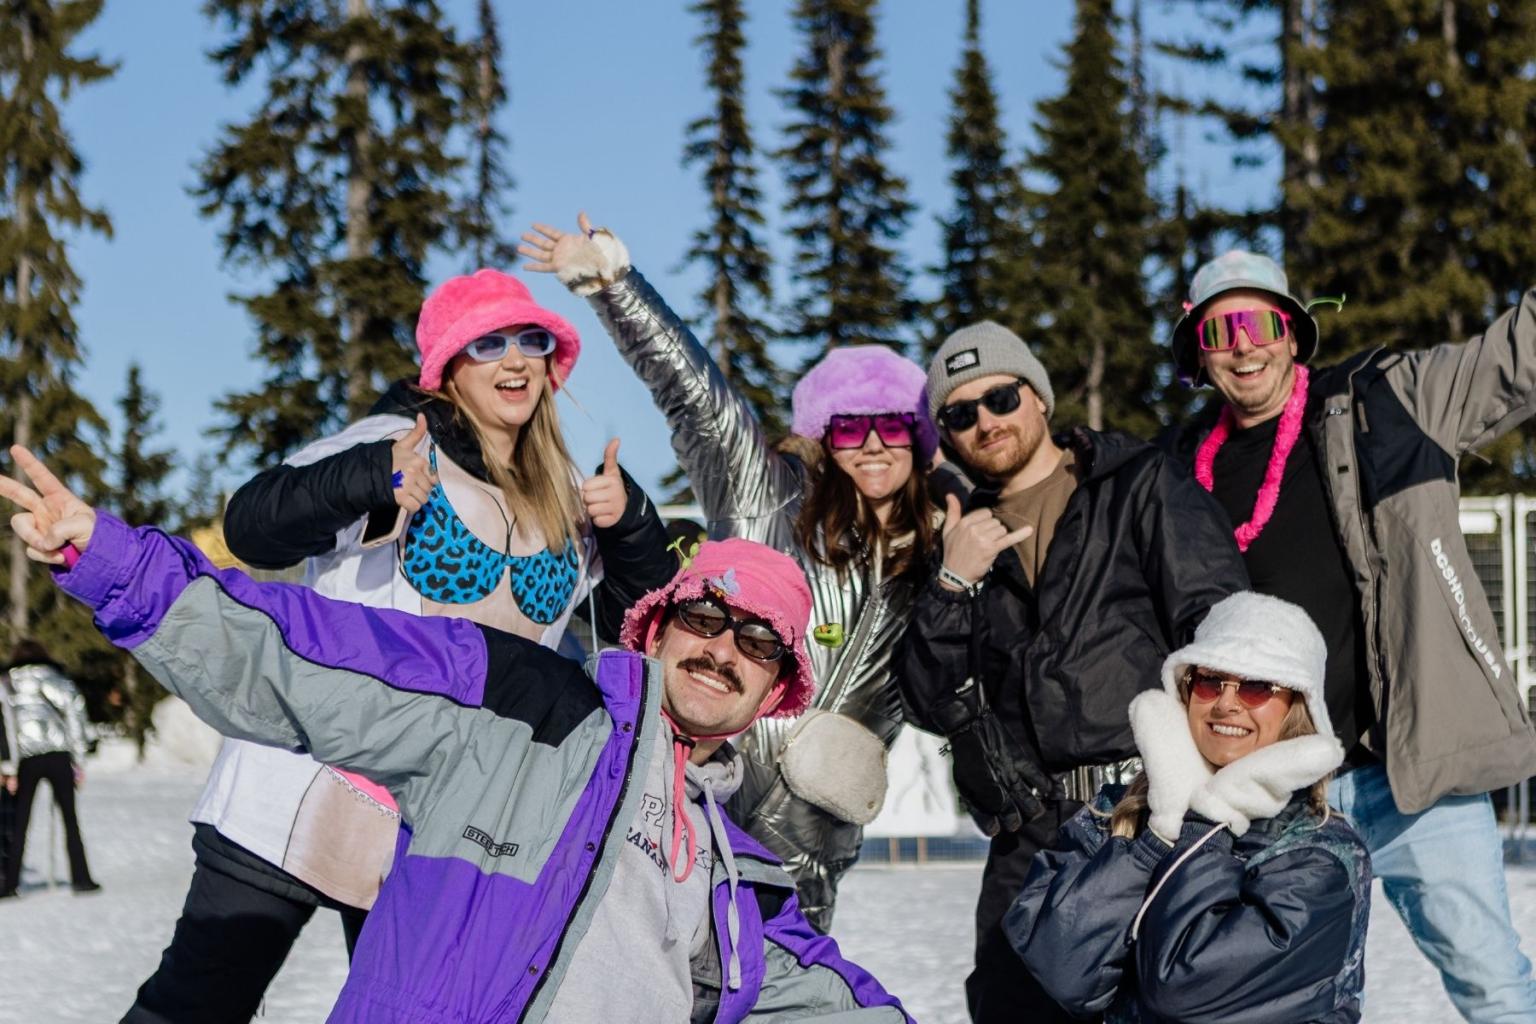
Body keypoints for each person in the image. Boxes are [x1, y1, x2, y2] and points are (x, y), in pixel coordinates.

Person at [0, 447, 910, 1024]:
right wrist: (118, 564)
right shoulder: (524, 708)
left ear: (774, 688)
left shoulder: (734, 875)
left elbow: (835, 1004)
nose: (722, 649)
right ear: (657, 626)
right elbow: (302, 658)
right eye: (706, 617)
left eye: (756, 642)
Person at [126, 269, 674, 1024]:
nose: (514, 361)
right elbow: (254, 525)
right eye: (488, 343)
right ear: (449, 363)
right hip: (304, 781)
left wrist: (633, 529)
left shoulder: (565, 491)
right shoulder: (395, 443)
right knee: (197, 1004)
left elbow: (639, 632)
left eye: (532, 340)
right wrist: (365, 481)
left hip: (442, 823)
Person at [520, 214, 938, 932]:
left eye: (893, 425)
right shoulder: (766, 493)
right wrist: (614, 282)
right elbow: (695, 397)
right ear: (822, 437)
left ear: (920, 437)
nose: (871, 445)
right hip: (693, 805)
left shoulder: (932, 552)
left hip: (810, 850)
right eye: (849, 427)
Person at [1161, 249, 1536, 1022]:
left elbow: (1514, 358)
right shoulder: (1175, 474)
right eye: (1221, 328)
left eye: (1261, 320)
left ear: (1293, 333)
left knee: (1492, 985)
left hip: (1411, 778)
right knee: (1263, 1005)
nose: (1244, 344)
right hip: (1274, 798)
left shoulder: (1389, 404)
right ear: (1200, 352)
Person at [897, 320, 1249, 1023]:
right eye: (959, 415)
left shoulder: (1135, 484)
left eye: (1000, 397)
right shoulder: (959, 536)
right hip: (1027, 836)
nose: (985, 422)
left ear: (1040, 399)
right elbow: (929, 701)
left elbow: (1221, 628)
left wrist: (1204, 778)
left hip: (1147, 811)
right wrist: (950, 586)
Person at [1007, 592, 1371, 1023]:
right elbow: (1062, 965)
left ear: (1298, 706)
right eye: (1210, 681)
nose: (1226, 703)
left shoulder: (1321, 854)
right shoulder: (1116, 811)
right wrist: (1154, 836)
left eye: (1256, 686)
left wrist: (1203, 820)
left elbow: (1180, 987)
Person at [1, 638, 99, 896]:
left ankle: (10, 883)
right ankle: (81, 878)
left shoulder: (7, 682)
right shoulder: (57, 678)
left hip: (26, 760)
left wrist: (9, 767)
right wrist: (78, 761)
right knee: (70, 818)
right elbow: (75, 718)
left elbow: (6, 726)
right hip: (58, 755)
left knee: (20, 822)